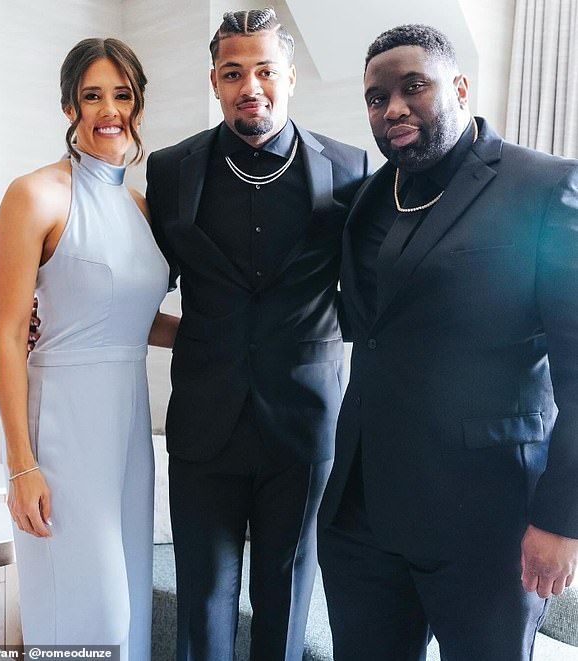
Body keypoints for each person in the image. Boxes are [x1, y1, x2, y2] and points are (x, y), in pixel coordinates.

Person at [317, 23, 578, 661]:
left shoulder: (542, 186)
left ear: (459, 86)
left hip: (485, 519)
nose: (393, 108)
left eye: (414, 88)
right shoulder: (369, 199)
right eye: (377, 98)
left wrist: (561, 521)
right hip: (363, 512)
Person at [146, 8, 368, 661]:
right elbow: (138, 281)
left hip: (303, 429)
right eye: (234, 72)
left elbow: (368, 289)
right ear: (215, 81)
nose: (252, 86)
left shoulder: (349, 169)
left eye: (266, 70)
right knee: (202, 608)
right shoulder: (170, 170)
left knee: (287, 605)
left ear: (290, 76)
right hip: (202, 424)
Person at [0, 38, 178, 659]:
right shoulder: (34, 194)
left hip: (127, 424)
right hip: (64, 425)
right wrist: (21, 465)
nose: (109, 109)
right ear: (69, 105)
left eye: (121, 95)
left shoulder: (140, 206)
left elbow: (134, 320)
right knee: (88, 610)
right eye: (92, 95)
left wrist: (235, 340)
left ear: (139, 103)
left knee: (128, 607)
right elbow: (9, 333)